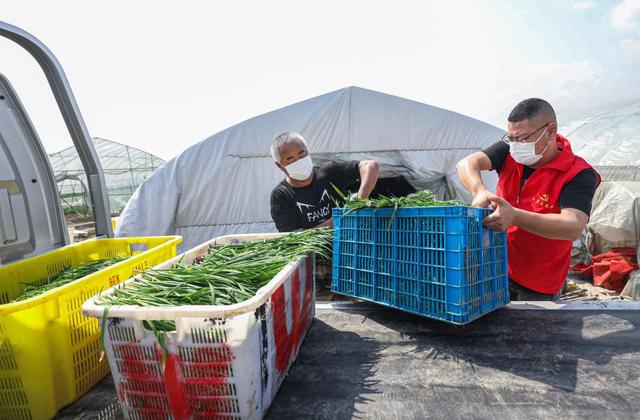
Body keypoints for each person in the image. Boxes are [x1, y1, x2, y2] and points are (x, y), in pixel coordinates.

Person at [456, 98, 599, 301]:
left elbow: (573, 225)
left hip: (538, 284)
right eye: (511, 138)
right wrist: (478, 190)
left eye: (522, 139)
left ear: (550, 130)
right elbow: (467, 163)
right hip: (495, 268)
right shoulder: (509, 153)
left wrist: (514, 216)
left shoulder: (578, 173)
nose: (515, 146)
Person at [269, 132, 379, 232]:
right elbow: (292, 238)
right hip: (316, 253)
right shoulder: (281, 195)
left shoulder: (329, 172)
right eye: (290, 159)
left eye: (302, 153)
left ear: (308, 151)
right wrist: (339, 220)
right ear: (279, 165)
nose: (299, 160)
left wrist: (359, 202)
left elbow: (370, 166)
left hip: (347, 247)